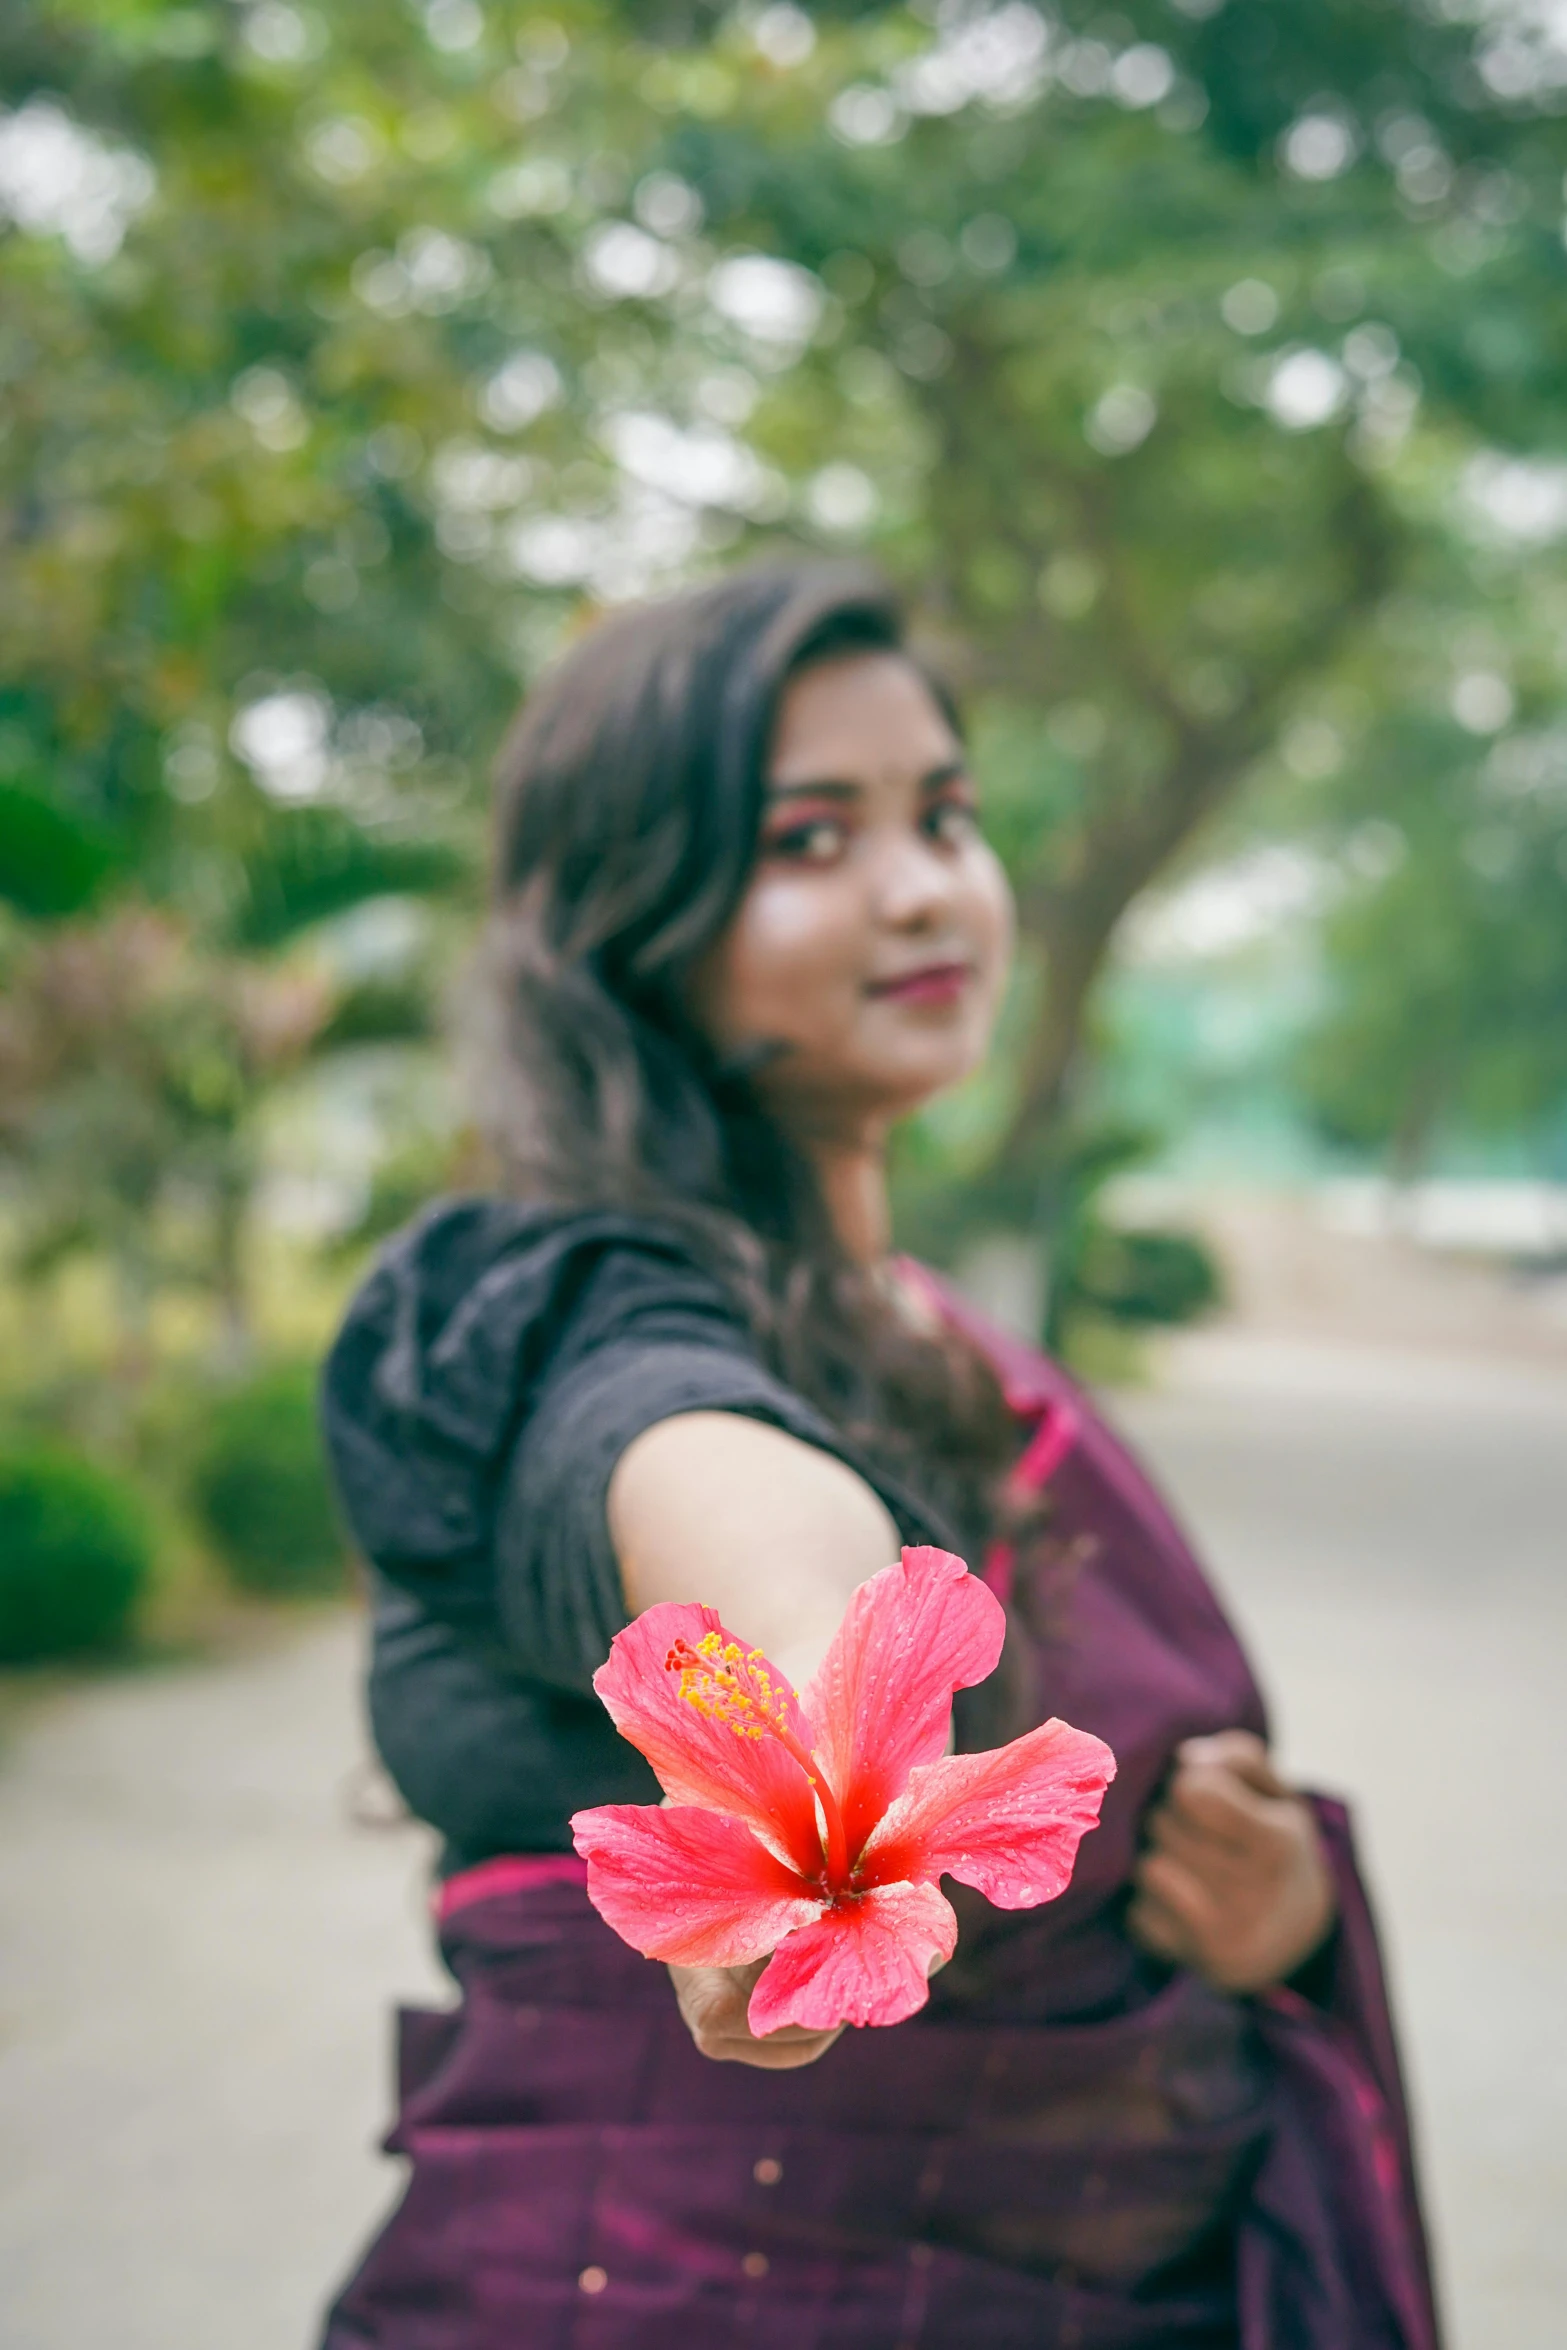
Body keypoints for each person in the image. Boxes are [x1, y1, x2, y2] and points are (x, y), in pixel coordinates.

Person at [317, 565, 1441, 2349]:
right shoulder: (539, 1299)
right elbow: (701, 1470)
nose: (922, 887)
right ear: (633, 916)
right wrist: (809, 1760)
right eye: (811, 839)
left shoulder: (960, 1345)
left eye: (944, 814)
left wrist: (1279, 1912)